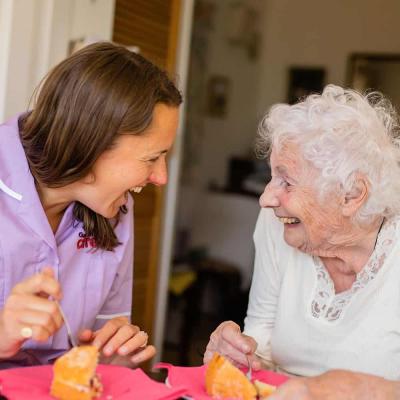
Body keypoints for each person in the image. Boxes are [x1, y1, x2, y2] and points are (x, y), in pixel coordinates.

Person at [204, 85, 400, 398]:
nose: (266, 198)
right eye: (271, 177)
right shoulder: (277, 224)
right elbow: (262, 335)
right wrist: (239, 351)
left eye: (287, 182)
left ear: (352, 195)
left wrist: (362, 389)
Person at [0, 42, 182, 368]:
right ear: (91, 143)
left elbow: (102, 354)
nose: (161, 177)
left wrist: (117, 356)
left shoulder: (113, 209)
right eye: (152, 158)